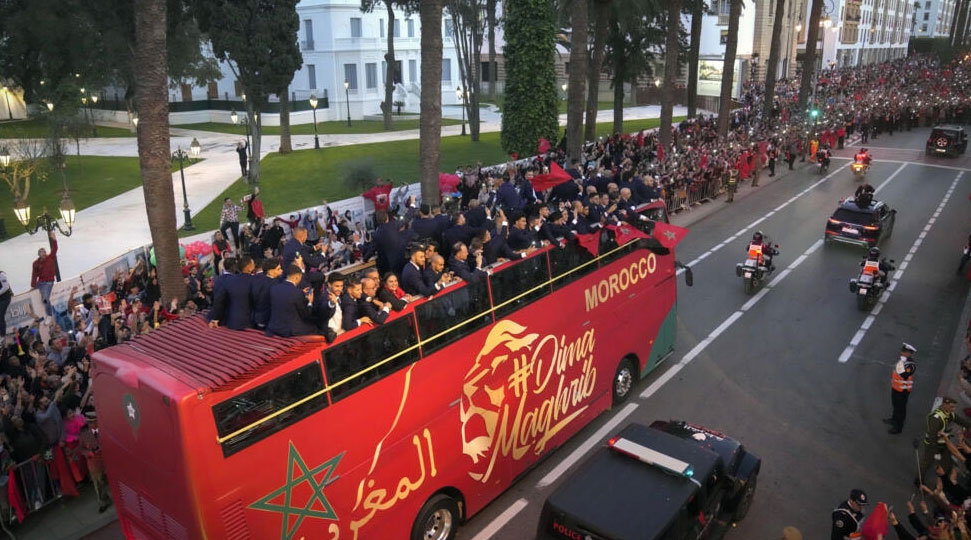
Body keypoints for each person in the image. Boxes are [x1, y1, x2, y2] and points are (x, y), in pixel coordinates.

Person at [919, 397, 971, 478]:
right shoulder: (935, 418)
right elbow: (932, 435)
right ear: (945, 405)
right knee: (927, 461)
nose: (953, 409)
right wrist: (934, 449)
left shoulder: (949, 414)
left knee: (947, 459)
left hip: (943, 442)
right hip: (933, 443)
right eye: (952, 407)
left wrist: (968, 426)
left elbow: (960, 420)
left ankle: (943, 477)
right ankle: (919, 479)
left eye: (954, 407)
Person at [265, 265, 318, 337]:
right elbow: (305, 314)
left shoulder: (274, 288)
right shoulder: (297, 293)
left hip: (274, 327)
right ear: (297, 277)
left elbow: (287, 296)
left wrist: (301, 293)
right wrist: (310, 302)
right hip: (290, 330)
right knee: (315, 327)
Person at [884, 343, 917, 434]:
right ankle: (894, 420)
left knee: (900, 409)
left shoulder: (911, 365)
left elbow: (904, 375)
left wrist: (901, 363)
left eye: (904, 352)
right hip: (896, 388)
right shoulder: (903, 361)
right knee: (895, 406)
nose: (901, 353)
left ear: (909, 353)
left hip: (903, 391)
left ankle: (898, 427)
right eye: (902, 351)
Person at [31, 231, 58, 317]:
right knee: (35, 295)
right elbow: (34, 275)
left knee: (45, 298)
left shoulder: (50, 257)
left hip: (49, 282)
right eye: (41, 253)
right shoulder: (35, 263)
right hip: (40, 282)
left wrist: (54, 239)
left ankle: (49, 315)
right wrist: (33, 285)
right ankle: (38, 314)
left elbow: (55, 248)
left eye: (44, 252)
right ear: (39, 254)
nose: (44, 254)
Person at [251, 258, 283, 329]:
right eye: (279, 269)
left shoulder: (257, 281)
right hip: (269, 320)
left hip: (256, 318)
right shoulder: (276, 285)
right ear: (270, 271)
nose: (281, 271)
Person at [0, 268, 11, 336]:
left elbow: (6, 287)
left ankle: (3, 335)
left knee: (0, 316)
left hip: (5, 299)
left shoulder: (1, 274)